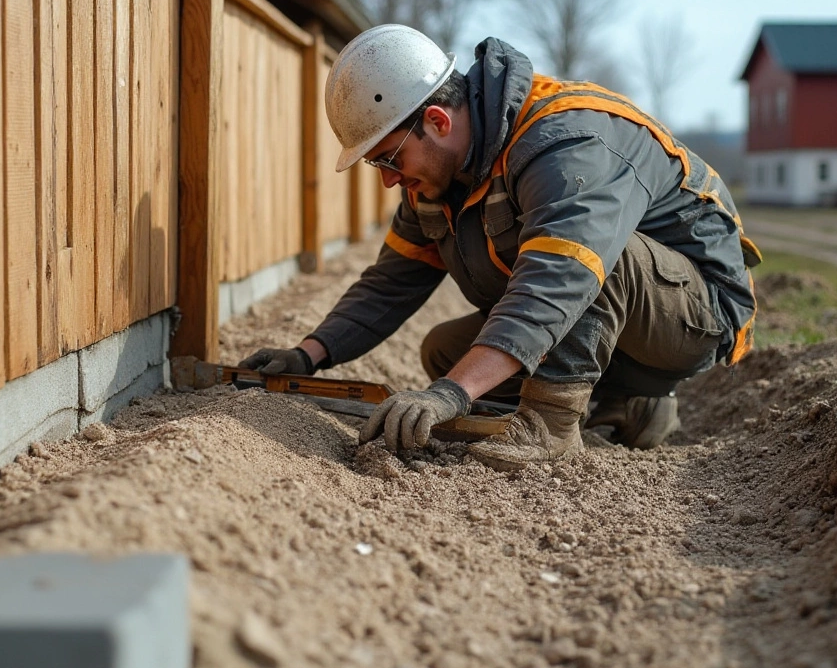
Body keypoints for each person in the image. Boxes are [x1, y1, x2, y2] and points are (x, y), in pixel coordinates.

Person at [240, 25, 760, 470]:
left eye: (388, 160)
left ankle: (551, 425)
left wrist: (453, 393)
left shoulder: (563, 142)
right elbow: (391, 280)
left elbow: (556, 281)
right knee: (445, 352)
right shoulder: (440, 176)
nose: (388, 181)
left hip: (695, 315)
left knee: (590, 257)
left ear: (437, 122)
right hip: (620, 320)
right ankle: (629, 403)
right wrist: (308, 355)